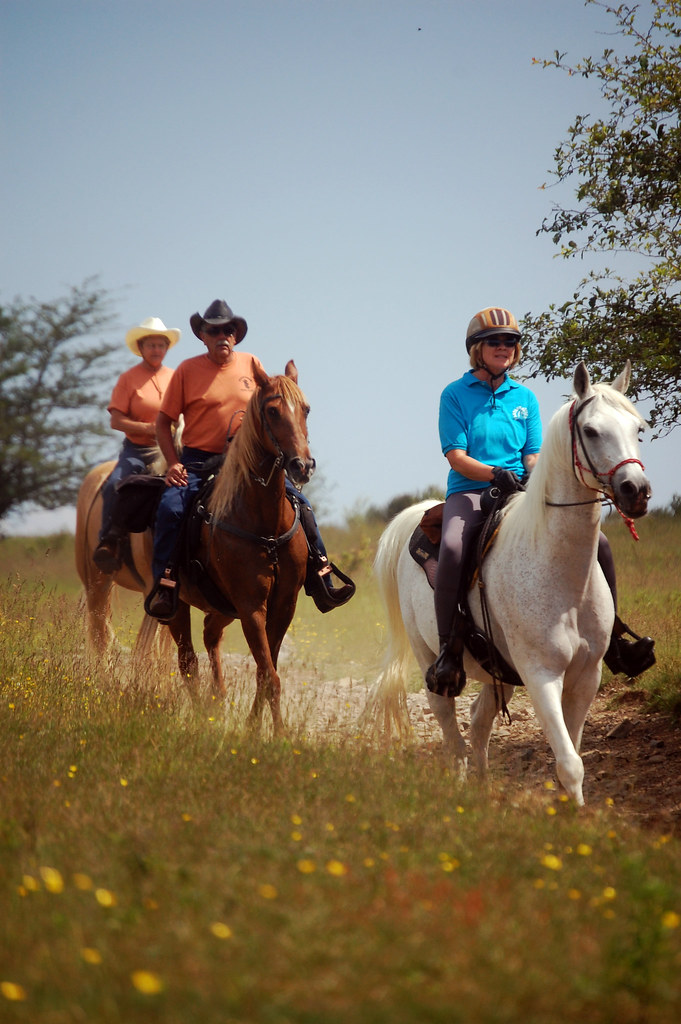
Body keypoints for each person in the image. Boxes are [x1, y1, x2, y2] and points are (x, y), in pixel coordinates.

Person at [427, 306, 655, 698]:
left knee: (599, 543)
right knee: (450, 547)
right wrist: (493, 473)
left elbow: (532, 453)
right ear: (477, 349)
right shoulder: (455, 395)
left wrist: (532, 472)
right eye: (494, 342)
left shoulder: (524, 397)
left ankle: (613, 640)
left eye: (510, 342)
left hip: (519, 492)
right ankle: (449, 649)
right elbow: (456, 456)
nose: (503, 347)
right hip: (470, 491)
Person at [146, 299, 354, 620]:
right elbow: (163, 423)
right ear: (202, 335)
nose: (222, 336)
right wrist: (174, 463)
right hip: (200, 462)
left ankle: (320, 574)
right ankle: (167, 583)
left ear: (236, 335)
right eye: (214, 331)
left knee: (301, 505)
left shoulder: (251, 364)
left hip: (245, 461)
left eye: (228, 330)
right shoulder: (187, 370)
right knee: (171, 508)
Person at [93, 316, 180, 573]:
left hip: (172, 449)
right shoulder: (128, 379)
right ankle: (110, 541)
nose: (156, 350)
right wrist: (147, 429)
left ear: (166, 349)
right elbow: (116, 421)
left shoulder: (176, 377)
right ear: (141, 348)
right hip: (138, 451)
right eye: (151, 345)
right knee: (113, 484)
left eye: (161, 345)